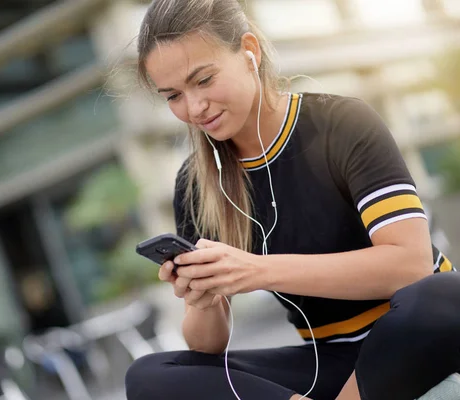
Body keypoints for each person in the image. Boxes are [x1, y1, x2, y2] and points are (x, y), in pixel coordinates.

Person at [124, 0, 460, 399]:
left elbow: (410, 266)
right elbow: (207, 345)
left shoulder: (342, 123)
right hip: (329, 361)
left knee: (445, 293)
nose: (194, 107)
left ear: (250, 50)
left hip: (414, 338)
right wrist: (202, 297)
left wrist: (259, 270)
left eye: (204, 80)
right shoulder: (197, 184)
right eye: (173, 96)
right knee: (151, 374)